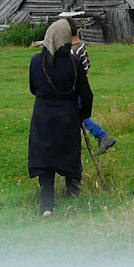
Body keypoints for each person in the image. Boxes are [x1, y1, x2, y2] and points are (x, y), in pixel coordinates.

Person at [28, 15, 93, 218]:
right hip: (68, 117)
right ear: (65, 37)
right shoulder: (74, 63)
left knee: (44, 159)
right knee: (70, 156)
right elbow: (87, 94)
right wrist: (83, 115)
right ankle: (73, 197)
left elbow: (33, 88)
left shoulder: (36, 61)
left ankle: (47, 205)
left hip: (42, 117)